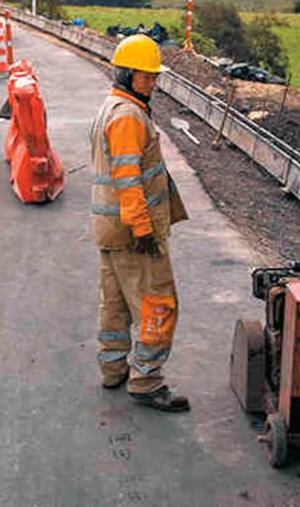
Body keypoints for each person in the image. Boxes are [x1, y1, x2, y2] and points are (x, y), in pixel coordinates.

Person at [89, 35, 190, 412]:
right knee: (157, 303)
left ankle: (112, 369)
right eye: (146, 76)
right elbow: (128, 178)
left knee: (114, 304)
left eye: (154, 76)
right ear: (127, 75)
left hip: (110, 229)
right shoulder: (129, 116)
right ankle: (146, 380)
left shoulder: (113, 106)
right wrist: (144, 229)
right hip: (133, 233)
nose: (153, 83)